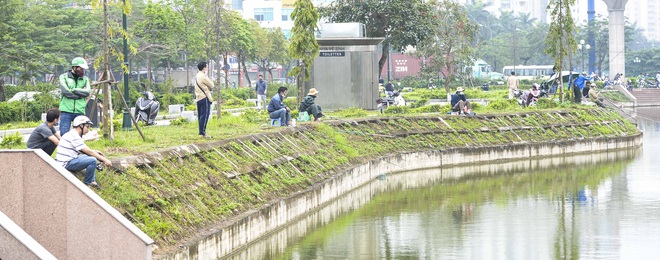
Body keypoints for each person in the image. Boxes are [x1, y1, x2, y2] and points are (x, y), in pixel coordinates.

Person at [55, 116, 112, 189]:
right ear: (81, 126)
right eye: (87, 127)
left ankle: (92, 180)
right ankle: (88, 182)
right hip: (65, 163)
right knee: (92, 160)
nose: (88, 130)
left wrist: (96, 152)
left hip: (68, 159)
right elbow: (89, 152)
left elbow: (84, 150)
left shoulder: (72, 134)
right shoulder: (74, 136)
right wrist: (105, 160)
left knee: (89, 157)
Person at [58, 57, 91, 134]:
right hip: (66, 110)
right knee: (64, 134)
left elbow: (87, 92)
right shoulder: (63, 77)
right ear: (74, 67)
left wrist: (73, 90)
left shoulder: (85, 79)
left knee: (79, 135)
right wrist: (80, 95)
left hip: (80, 110)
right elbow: (65, 91)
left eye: (83, 69)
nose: (83, 71)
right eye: (81, 69)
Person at [195, 61, 214, 138]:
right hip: (204, 98)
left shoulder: (197, 75)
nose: (207, 68)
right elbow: (212, 85)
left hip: (198, 98)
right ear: (204, 68)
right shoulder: (203, 76)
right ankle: (202, 132)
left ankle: (201, 131)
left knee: (200, 115)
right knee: (205, 115)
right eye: (206, 66)